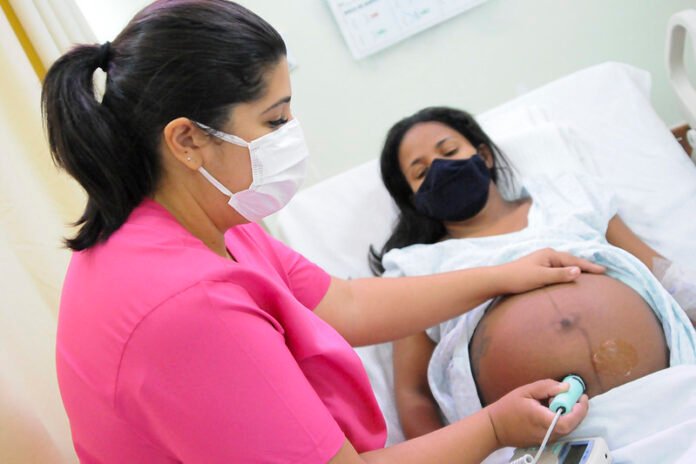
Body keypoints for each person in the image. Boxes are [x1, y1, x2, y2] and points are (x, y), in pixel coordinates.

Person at [41, 2, 602, 463]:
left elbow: (347, 304)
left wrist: (501, 273)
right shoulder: (186, 304)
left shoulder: (208, 224)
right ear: (188, 141)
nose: (291, 135)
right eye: (274, 120)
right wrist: (496, 429)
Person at [369, 106, 696, 440]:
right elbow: (414, 395)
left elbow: (666, 278)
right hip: (543, 445)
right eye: (421, 172)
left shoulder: (566, 195)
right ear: (414, 200)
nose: (441, 169)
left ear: (484, 156)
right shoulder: (414, 268)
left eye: (450, 151)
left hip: (671, 395)